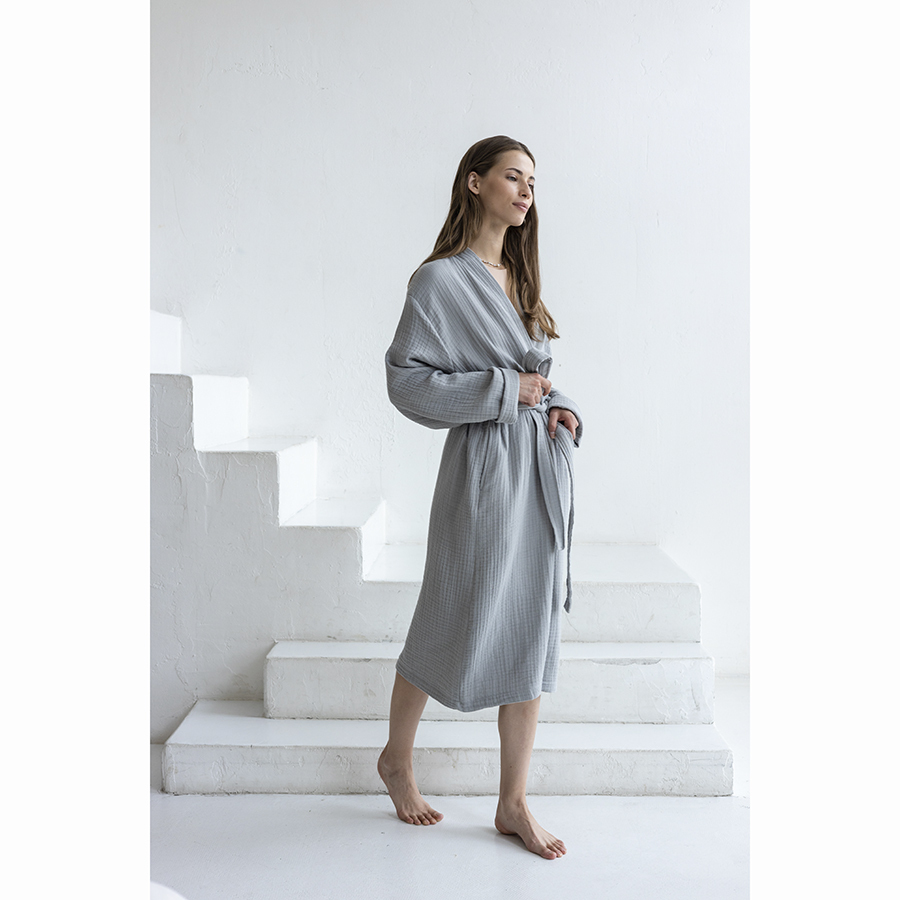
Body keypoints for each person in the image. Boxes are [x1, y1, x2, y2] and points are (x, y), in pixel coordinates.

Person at [379, 135, 582, 861]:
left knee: (531, 623)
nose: (526, 192)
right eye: (513, 177)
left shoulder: (519, 277)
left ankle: (512, 802)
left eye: (533, 181)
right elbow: (407, 382)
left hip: (538, 464)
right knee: (449, 610)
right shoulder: (439, 281)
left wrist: (561, 406)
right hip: (483, 469)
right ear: (474, 182)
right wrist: (503, 391)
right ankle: (396, 760)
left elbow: (537, 376)